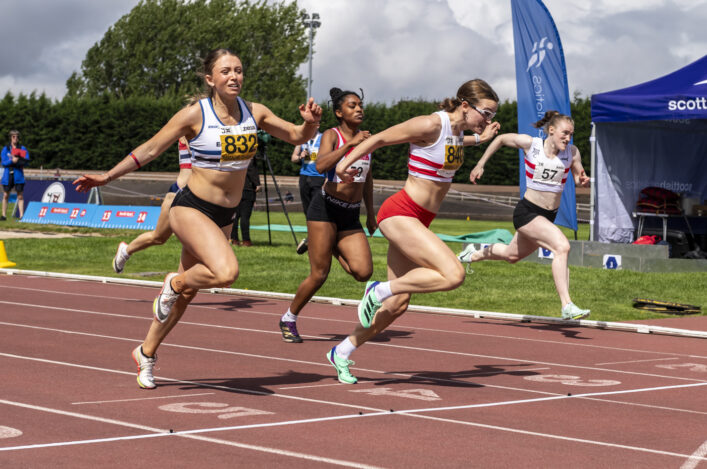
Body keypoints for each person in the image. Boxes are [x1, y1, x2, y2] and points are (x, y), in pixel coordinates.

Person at [74, 48, 322, 389]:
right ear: (210, 79)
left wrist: (311, 123)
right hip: (189, 206)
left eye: (238, 70)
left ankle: (146, 353)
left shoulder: (256, 112)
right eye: (225, 72)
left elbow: (297, 136)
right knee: (226, 273)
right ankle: (172, 283)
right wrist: (106, 177)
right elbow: (149, 149)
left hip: (225, 214)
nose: (234, 76)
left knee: (188, 294)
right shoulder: (194, 115)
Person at [325, 79, 500, 384]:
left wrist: (480, 140)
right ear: (464, 106)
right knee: (453, 274)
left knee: (397, 305)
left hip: (420, 219)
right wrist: (343, 164)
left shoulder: (458, 133)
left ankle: (341, 351)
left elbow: (456, 145)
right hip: (400, 213)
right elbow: (379, 139)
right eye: (485, 113)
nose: (488, 120)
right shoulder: (431, 124)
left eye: (491, 115)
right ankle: (376, 289)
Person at [460, 110, 591, 320]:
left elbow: (578, 176)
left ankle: (472, 254)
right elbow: (501, 139)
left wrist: (582, 180)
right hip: (527, 213)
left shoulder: (572, 152)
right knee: (562, 247)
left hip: (547, 216)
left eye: (571, 134)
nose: (568, 138)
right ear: (551, 130)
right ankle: (567, 305)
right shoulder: (531, 144)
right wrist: (480, 163)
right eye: (564, 133)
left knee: (512, 255)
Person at [279, 87, 376, 344]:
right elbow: (320, 165)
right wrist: (350, 145)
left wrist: (371, 214)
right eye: (352, 106)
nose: (359, 109)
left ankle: (328, 242)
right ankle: (289, 317)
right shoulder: (331, 135)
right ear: (338, 112)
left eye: (360, 105)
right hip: (325, 209)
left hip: (351, 214)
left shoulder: (367, 140)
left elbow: (368, 179)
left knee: (363, 272)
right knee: (319, 274)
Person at [112, 137, 193, 273]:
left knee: (194, 240)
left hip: (205, 196)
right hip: (179, 194)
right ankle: (126, 251)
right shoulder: (193, 125)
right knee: (159, 237)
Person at [291, 130, 326, 254]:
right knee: (307, 209)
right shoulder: (302, 139)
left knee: (316, 209)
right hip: (304, 177)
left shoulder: (323, 138)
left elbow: (329, 157)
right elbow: (293, 158)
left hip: (319, 177)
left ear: (318, 125)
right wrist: (300, 156)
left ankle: (315, 239)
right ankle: (312, 237)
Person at [230, 157, 260, 246]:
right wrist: (257, 183)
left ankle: (234, 239)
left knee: (235, 217)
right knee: (245, 217)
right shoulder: (249, 156)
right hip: (247, 188)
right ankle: (246, 240)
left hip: (235, 187)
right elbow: (251, 169)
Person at [1, 130, 29, 220]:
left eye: (17, 136)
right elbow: (4, 162)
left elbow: (26, 161)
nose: (15, 138)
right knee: (6, 195)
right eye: (13, 136)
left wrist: (18, 161)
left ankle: (21, 216)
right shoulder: (6, 148)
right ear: (10, 138)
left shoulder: (22, 148)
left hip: (18, 174)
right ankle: (3, 215)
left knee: (20, 195)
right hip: (8, 174)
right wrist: (11, 161)